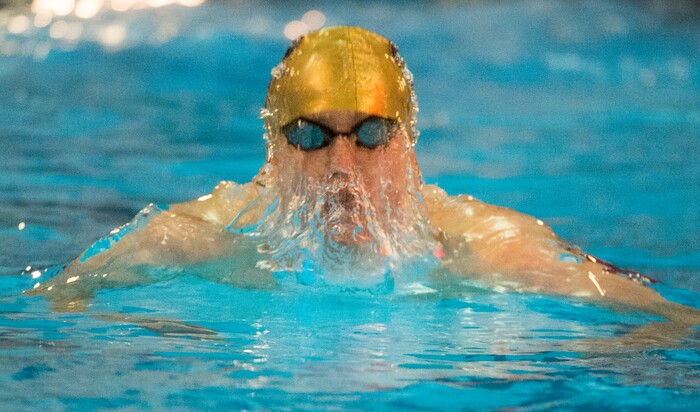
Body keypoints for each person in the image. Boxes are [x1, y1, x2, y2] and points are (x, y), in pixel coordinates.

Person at [28, 27, 699, 339]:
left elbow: (672, 325)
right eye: (312, 136)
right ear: (274, 150)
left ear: (408, 145)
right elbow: (52, 308)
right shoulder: (192, 240)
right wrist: (156, 329)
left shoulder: (487, 248)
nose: (342, 168)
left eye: (372, 135)